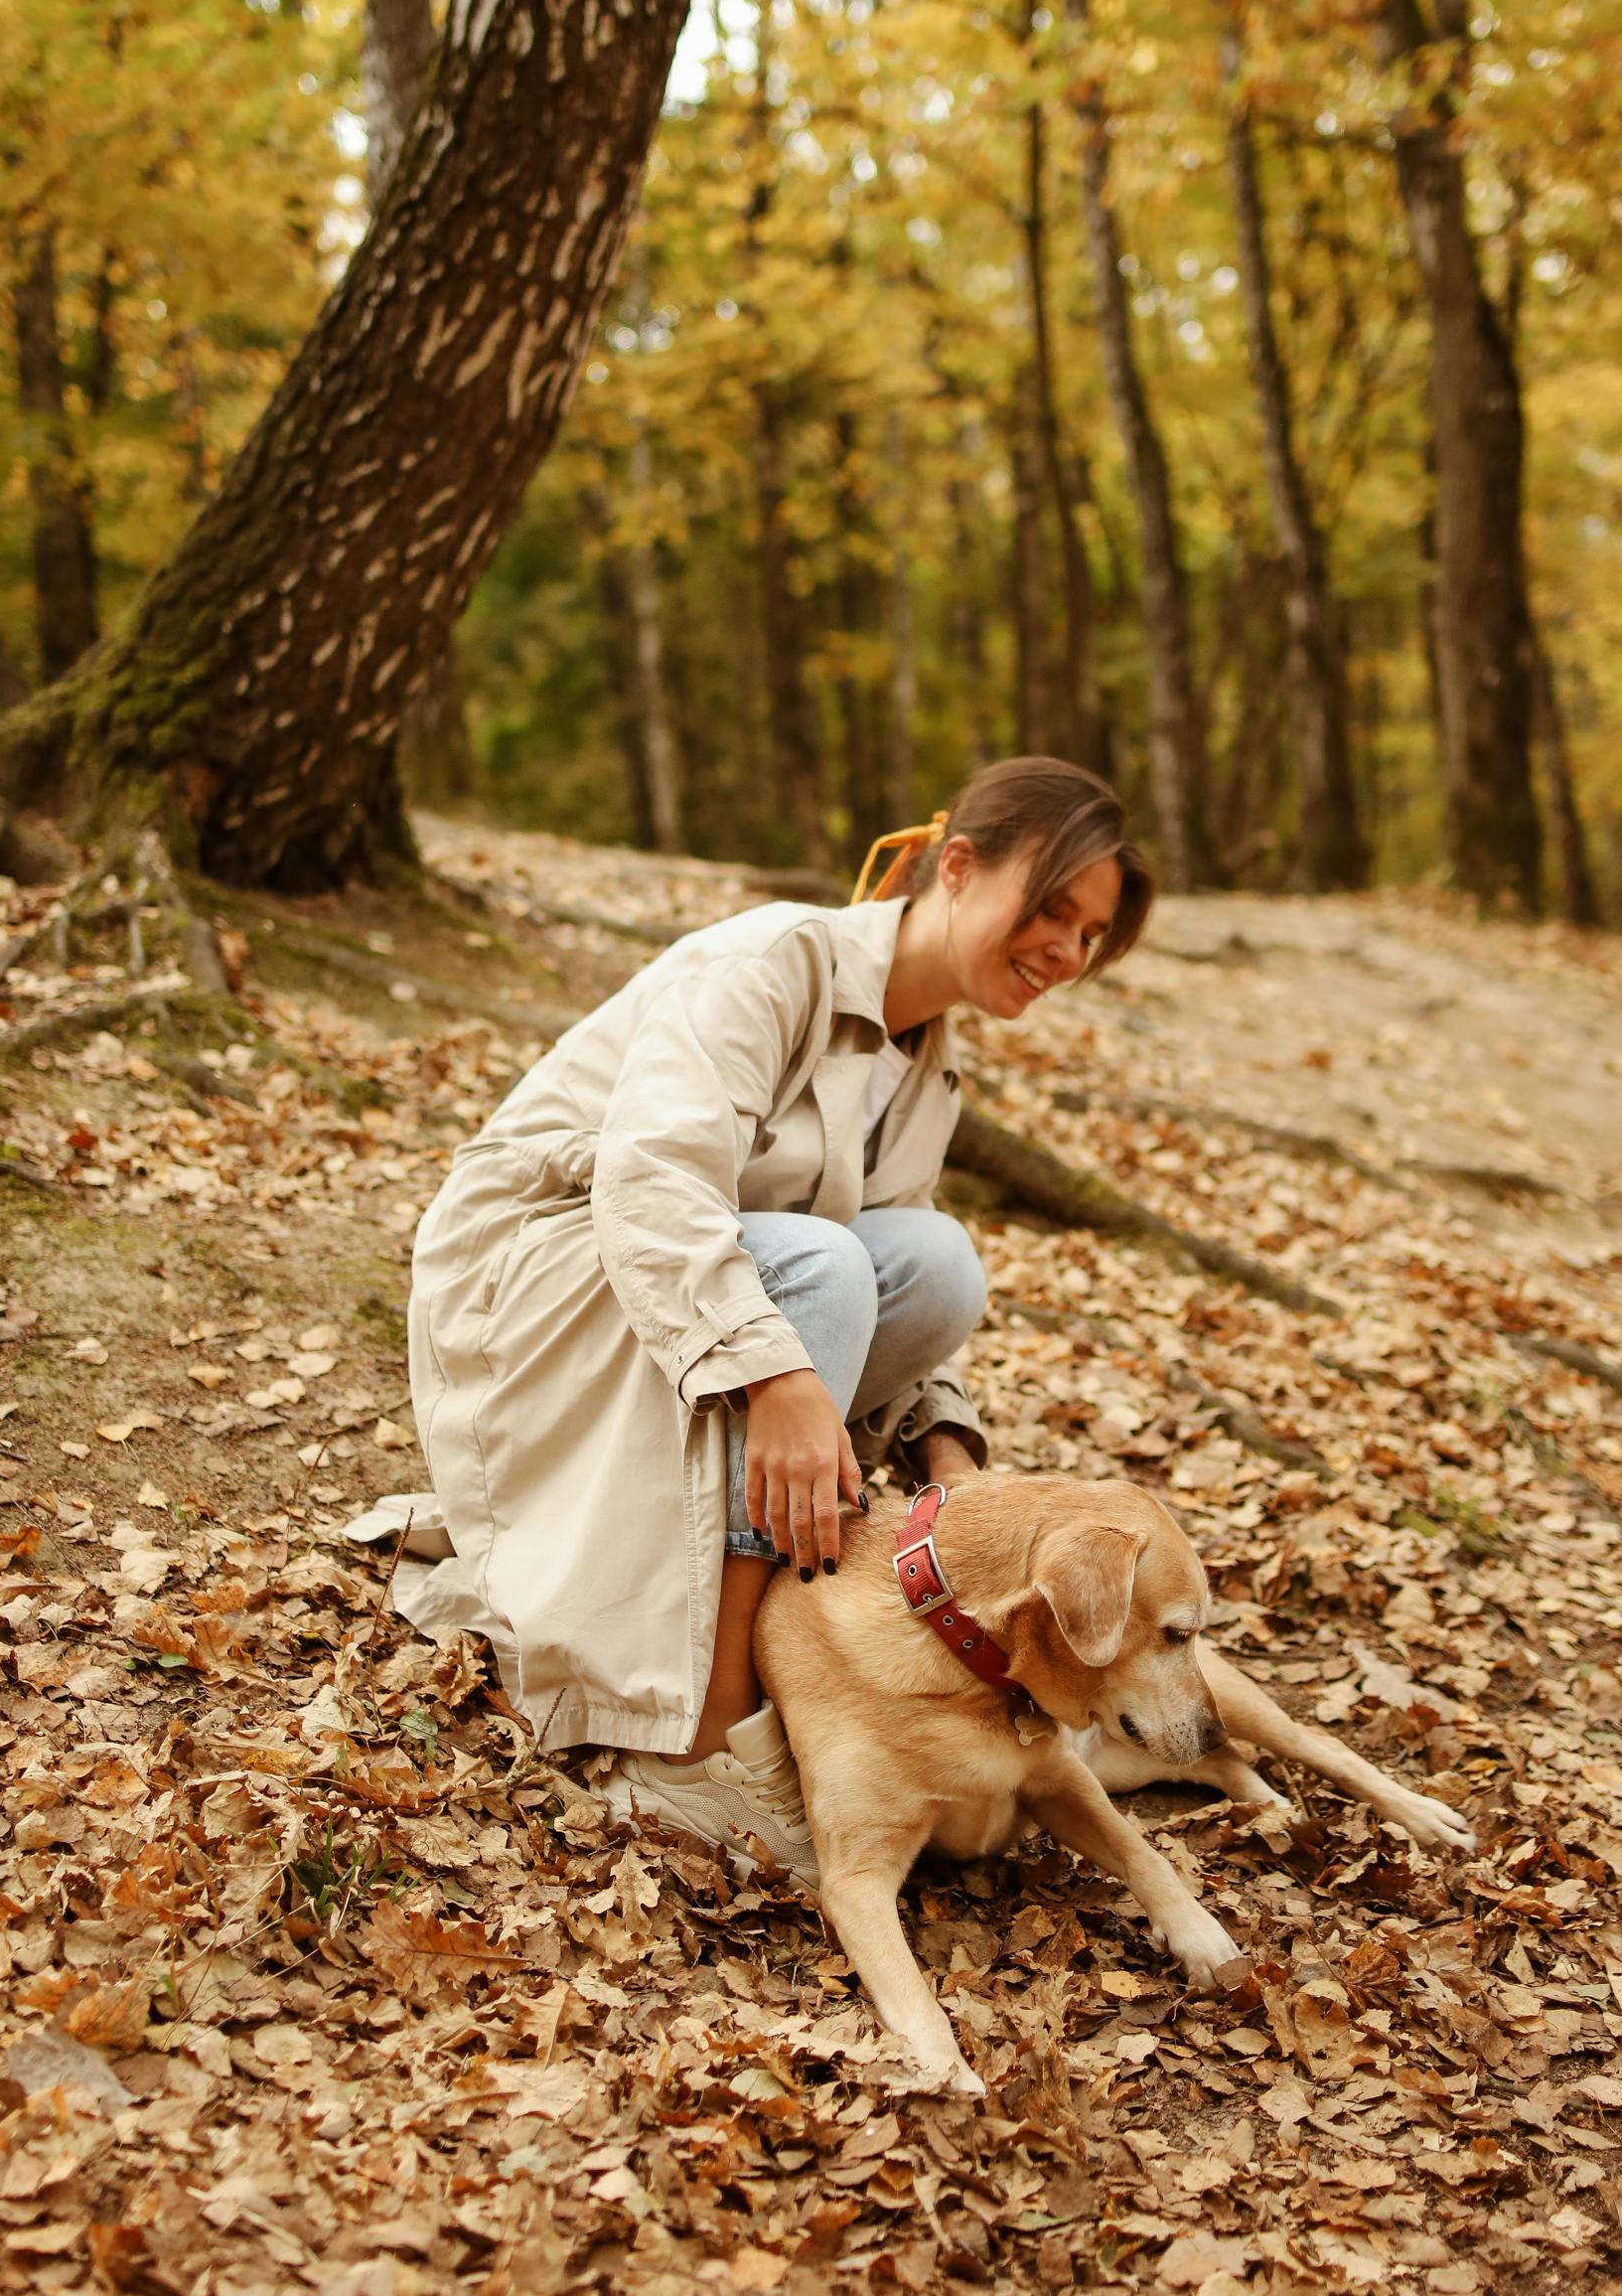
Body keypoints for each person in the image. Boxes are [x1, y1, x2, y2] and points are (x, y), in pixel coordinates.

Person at [368, 756, 1153, 1884]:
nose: (1065, 953)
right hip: (533, 1272)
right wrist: (782, 1381)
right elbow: (653, 1183)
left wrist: (946, 1453)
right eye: (1052, 910)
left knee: (935, 1264)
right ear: (959, 865)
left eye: (1089, 935)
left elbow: (895, 1257)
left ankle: (772, 1642)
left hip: (705, 1292)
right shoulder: (773, 958)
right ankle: (697, 1736)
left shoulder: (927, 1063)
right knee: (828, 1268)